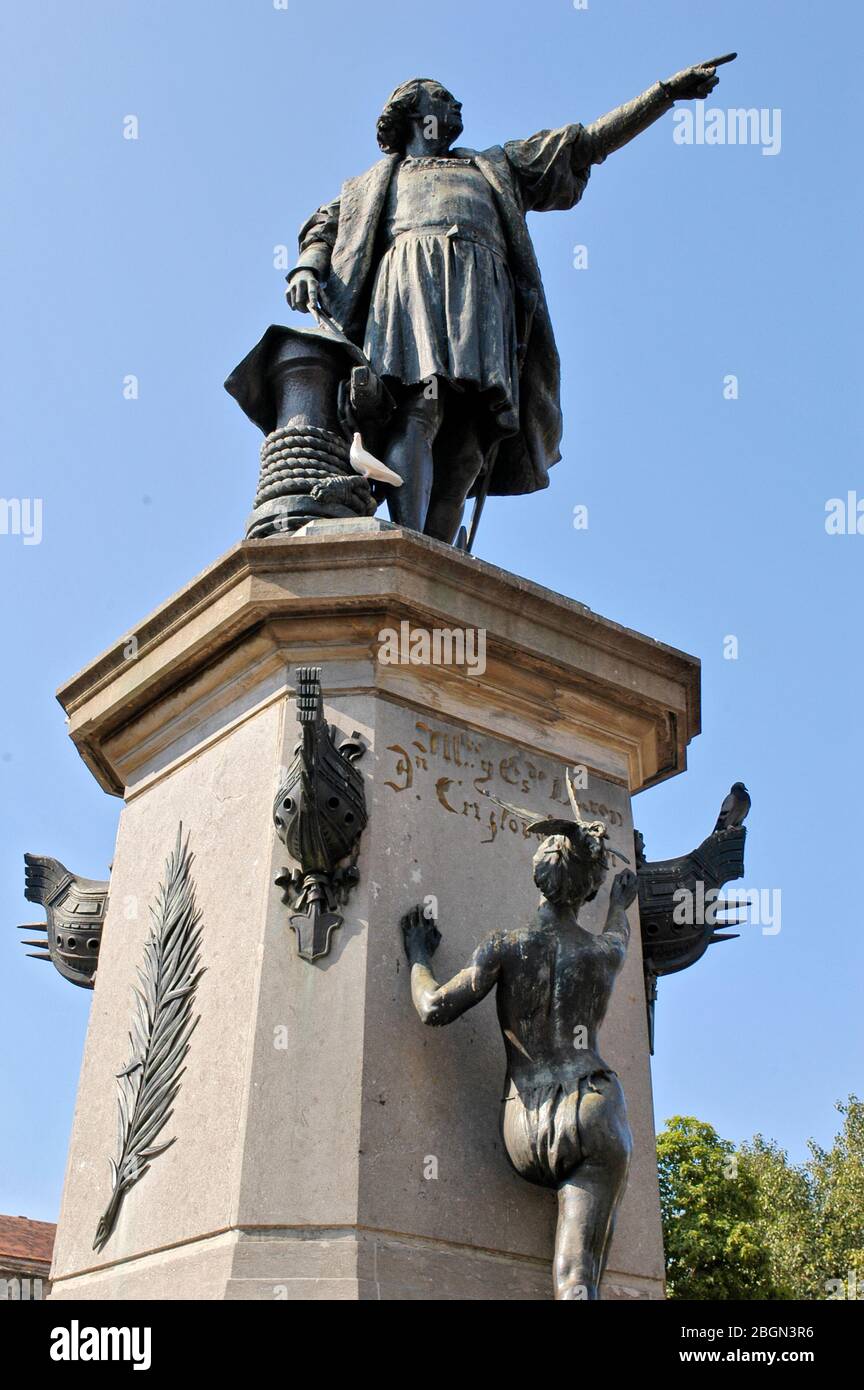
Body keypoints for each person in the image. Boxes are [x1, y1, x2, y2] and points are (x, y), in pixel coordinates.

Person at [288, 60, 733, 543]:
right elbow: (325, 227)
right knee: (421, 404)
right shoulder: (372, 184)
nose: (455, 103)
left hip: (484, 294)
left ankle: (436, 555)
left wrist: (664, 94)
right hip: (411, 281)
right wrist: (309, 266)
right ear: (409, 113)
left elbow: (582, 145)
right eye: (440, 96)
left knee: (474, 436)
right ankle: (405, 540)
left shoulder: (496, 166)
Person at [401, 790, 639, 1301]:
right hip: (593, 1110)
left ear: (539, 877)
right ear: (588, 889)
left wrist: (418, 958)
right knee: (577, 1280)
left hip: (526, 1126)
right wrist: (619, 905)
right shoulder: (602, 954)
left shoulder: (504, 946)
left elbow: (433, 1009)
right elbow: (619, 935)